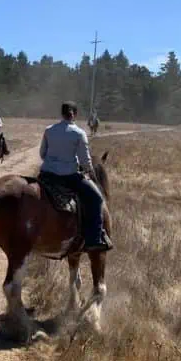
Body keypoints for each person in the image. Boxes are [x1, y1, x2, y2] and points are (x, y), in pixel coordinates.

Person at [39, 101, 112, 252]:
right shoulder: (79, 133)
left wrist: (54, 162)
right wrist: (91, 174)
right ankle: (95, 238)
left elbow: (42, 154)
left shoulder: (49, 130)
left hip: (47, 175)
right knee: (97, 198)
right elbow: (85, 161)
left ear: (62, 113)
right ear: (75, 115)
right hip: (69, 177)